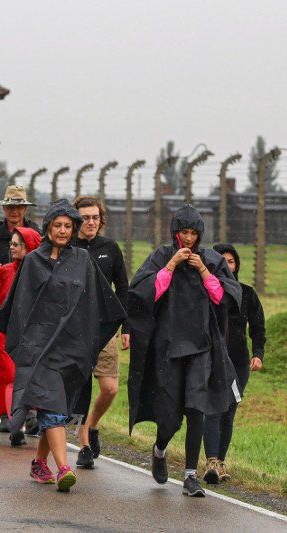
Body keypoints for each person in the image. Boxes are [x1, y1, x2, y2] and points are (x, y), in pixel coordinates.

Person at [1, 199, 125, 493]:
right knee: (54, 406)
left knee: (54, 407)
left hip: (70, 348)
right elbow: (20, 307)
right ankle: (63, 468)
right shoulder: (32, 262)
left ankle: (39, 464)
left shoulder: (82, 261)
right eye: (57, 225)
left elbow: (98, 303)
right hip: (40, 349)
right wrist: (24, 344)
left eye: (68, 226)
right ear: (47, 228)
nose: (62, 230)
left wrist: (90, 340)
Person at [128, 204, 241, 498]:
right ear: (175, 233)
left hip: (202, 346)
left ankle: (190, 475)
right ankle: (160, 448)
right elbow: (145, 292)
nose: (188, 239)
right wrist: (173, 265)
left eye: (193, 233)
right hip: (168, 346)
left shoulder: (212, 260)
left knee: (196, 409)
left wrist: (202, 269)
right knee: (171, 417)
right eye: (183, 232)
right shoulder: (161, 256)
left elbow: (222, 296)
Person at [70, 196, 130, 469]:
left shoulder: (110, 248)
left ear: (101, 219)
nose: (91, 222)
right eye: (85, 217)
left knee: (110, 387)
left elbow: (124, 288)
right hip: (74, 331)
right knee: (80, 389)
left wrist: (126, 327)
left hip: (105, 329)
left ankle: (92, 425)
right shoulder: (68, 247)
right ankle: (83, 444)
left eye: (95, 217)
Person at [202, 243, 266, 484]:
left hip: (239, 363)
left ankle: (220, 462)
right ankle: (211, 461)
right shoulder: (205, 291)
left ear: (236, 264)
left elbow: (258, 328)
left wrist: (258, 353)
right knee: (213, 408)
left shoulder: (247, 293)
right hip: (212, 360)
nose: (226, 265)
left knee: (229, 411)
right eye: (220, 260)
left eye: (230, 261)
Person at [0, 226, 40, 439]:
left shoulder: (40, 271)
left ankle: (28, 417)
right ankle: (13, 421)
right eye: (10, 243)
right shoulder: (4, 272)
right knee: (11, 375)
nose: (11, 247)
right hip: (4, 336)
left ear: (28, 246)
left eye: (16, 244)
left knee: (30, 375)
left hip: (32, 336)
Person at [0, 185, 41, 272]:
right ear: (4, 208)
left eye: (19, 207)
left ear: (25, 209)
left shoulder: (37, 236)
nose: (14, 211)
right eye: (10, 206)